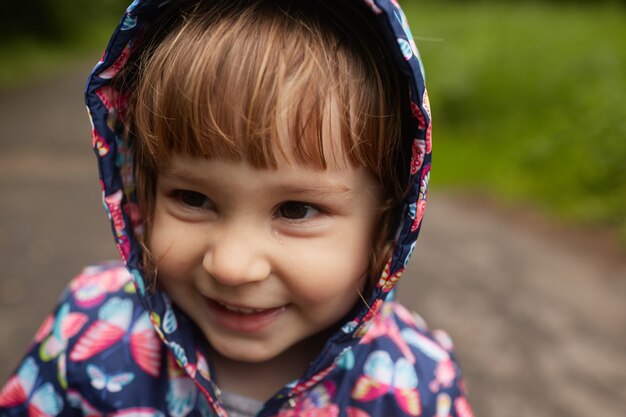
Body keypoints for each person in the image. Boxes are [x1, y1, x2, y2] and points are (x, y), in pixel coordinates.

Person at [0, 0, 473, 416]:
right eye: (193, 198)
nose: (231, 266)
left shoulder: (415, 388)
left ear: (389, 218)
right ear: (141, 187)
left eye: (295, 210)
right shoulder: (86, 335)